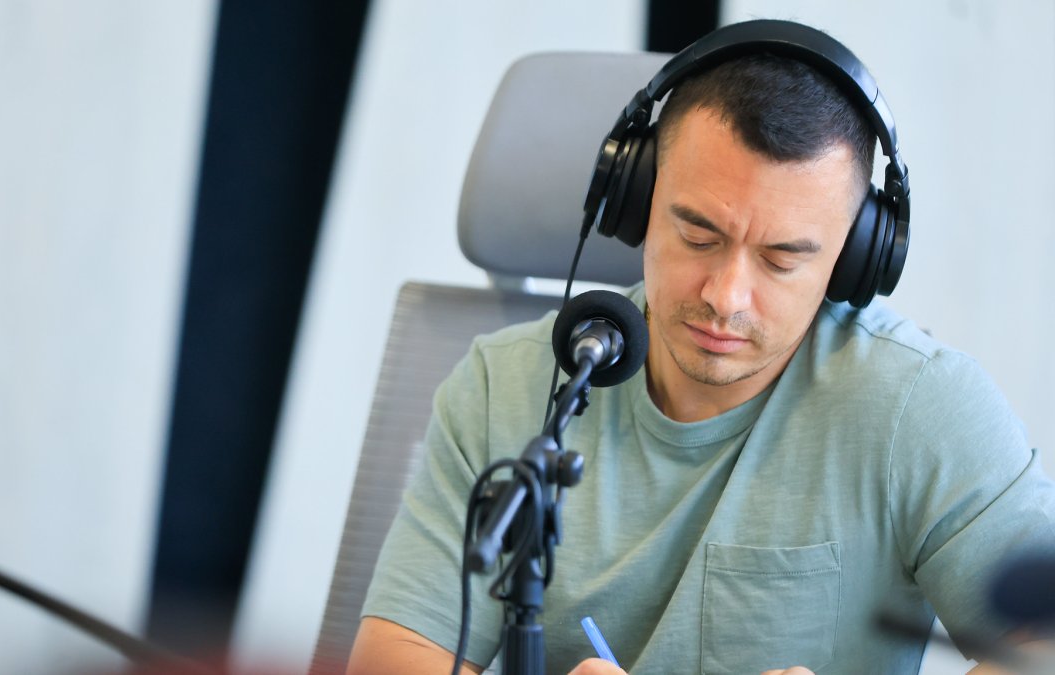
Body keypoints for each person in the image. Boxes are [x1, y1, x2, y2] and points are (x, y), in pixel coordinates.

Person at [346, 21, 1055, 675]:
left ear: (851, 259)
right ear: (636, 200)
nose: (727, 294)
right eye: (697, 235)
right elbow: (395, 653)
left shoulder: (922, 408)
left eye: (781, 259)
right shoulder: (505, 387)